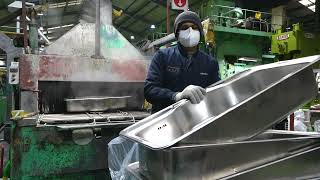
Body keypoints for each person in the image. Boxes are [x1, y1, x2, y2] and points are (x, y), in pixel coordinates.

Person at [144, 11, 220, 113]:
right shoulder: (162, 56)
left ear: (200, 32)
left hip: (197, 120)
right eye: (184, 27)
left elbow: (217, 94)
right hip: (165, 121)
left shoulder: (210, 63)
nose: (190, 31)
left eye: (194, 27)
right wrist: (176, 96)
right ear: (177, 33)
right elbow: (150, 90)